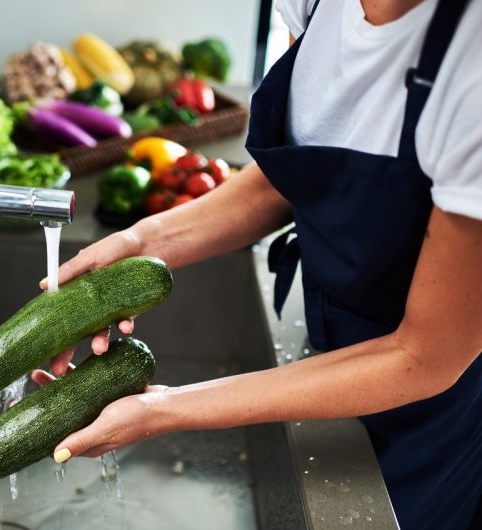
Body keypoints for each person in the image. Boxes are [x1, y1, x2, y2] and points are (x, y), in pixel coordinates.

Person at [31, 0, 482, 528]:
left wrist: (164, 409)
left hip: (431, 420)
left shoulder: (470, 67)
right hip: (327, 338)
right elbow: (282, 180)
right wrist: (139, 241)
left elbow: (425, 356)